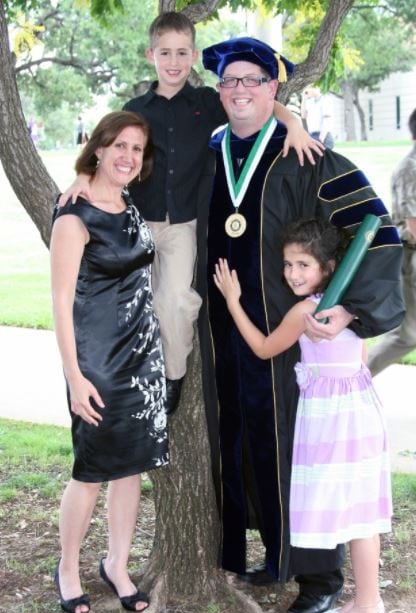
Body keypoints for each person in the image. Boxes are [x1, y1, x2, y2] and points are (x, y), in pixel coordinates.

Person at [200, 36, 404, 613]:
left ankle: (321, 577)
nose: (239, 90)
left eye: (252, 81)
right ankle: (273, 555)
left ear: (272, 87)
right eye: (230, 81)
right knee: (243, 441)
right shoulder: (210, 152)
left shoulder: (306, 156)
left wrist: (349, 309)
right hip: (227, 332)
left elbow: (376, 229)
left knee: (301, 454)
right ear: (220, 91)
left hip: (297, 341)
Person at [59, 12, 324, 417]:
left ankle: (172, 375)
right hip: (139, 222)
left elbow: (268, 107)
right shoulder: (136, 107)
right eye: (165, 52)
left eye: (182, 53)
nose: (173, 61)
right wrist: (81, 174)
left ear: (194, 56)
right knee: (127, 303)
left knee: (176, 302)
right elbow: (105, 144)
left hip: (184, 225)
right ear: (151, 55)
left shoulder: (207, 103)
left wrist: (296, 125)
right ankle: (119, 376)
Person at [214, 218, 391, 613]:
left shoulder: (306, 312)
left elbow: (262, 348)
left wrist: (232, 301)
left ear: (327, 267)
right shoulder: (351, 309)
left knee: (356, 516)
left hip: (332, 424)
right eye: (289, 264)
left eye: (303, 265)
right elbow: (360, 359)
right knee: (358, 511)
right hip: (359, 413)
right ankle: (364, 602)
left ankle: (368, 607)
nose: (293, 273)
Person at [50, 111, 168, 613]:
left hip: (143, 359)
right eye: (118, 145)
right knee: (92, 470)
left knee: (131, 470)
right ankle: (69, 567)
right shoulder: (74, 215)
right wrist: (75, 378)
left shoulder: (126, 201)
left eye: (136, 149)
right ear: (97, 149)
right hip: (96, 363)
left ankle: (117, 564)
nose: (127, 157)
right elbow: (58, 301)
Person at [368, 107, 416, 376]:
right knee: (407, 335)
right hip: (413, 259)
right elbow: (415, 226)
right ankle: (357, 380)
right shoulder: (410, 169)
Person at [301, 85, 335, 149]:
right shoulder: (310, 101)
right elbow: (303, 115)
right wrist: (304, 99)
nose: (306, 91)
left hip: (324, 137)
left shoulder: (325, 99)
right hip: (313, 135)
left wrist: (320, 140)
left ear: (315, 88)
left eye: (308, 89)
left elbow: (327, 121)